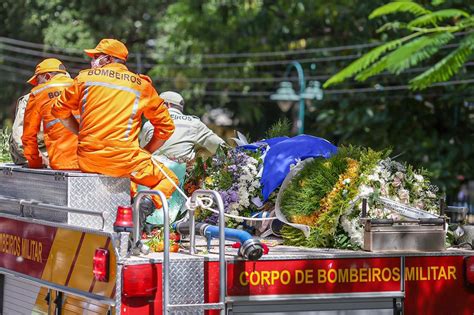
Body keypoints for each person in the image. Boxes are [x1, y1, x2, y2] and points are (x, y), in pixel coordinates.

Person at [51, 39, 178, 228]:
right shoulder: (141, 85)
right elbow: (166, 127)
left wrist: (81, 134)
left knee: (128, 185)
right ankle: (144, 206)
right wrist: (146, 152)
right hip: (124, 161)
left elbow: (59, 111)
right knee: (171, 180)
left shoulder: (85, 78)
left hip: (88, 159)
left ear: (108, 58)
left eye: (95, 57)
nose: (91, 61)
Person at [22, 58, 79, 170]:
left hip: (62, 163)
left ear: (47, 76)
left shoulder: (38, 93)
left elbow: (28, 137)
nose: (37, 85)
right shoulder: (81, 86)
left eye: (38, 81)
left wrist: (35, 163)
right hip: (90, 160)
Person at [140, 91, 225, 161]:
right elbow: (217, 145)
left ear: (168, 105)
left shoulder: (150, 123)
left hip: (156, 175)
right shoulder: (194, 123)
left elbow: (143, 152)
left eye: (158, 104)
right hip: (183, 176)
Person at [9, 93, 48, 165]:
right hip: (32, 156)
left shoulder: (68, 96)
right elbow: (19, 137)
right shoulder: (29, 99)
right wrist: (40, 159)